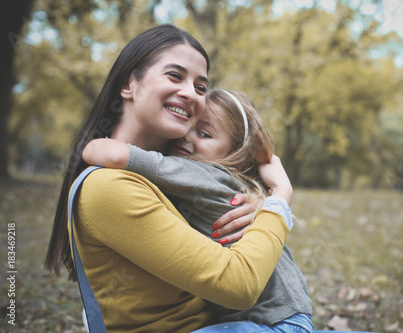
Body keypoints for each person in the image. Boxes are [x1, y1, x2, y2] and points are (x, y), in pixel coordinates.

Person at [45, 24, 294, 333]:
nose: (191, 93)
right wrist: (279, 197)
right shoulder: (108, 187)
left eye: (201, 87)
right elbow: (238, 284)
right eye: (175, 76)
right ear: (128, 85)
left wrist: (252, 196)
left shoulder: (171, 178)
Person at [82, 89, 315, 332]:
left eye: (204, 133)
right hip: (279, 317)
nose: (185, 137)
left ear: (235, 152)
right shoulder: (220, 183)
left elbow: (112, 154)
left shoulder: (201, 174)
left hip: (275, 324)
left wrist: (97, 142)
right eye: (186, 128)